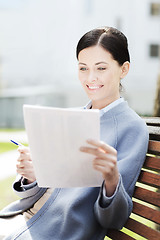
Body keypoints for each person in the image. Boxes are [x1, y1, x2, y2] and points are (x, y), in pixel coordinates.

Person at [0, 26, 149, 240]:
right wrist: (32, 176)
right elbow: (40, 192)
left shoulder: (131, 128)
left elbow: (114, 219)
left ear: (123, 69)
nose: (90, 78)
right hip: (27, 217)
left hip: (59, 230)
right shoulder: (70, 118)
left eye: (101, 68)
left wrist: (112, 179)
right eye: (83, 68)